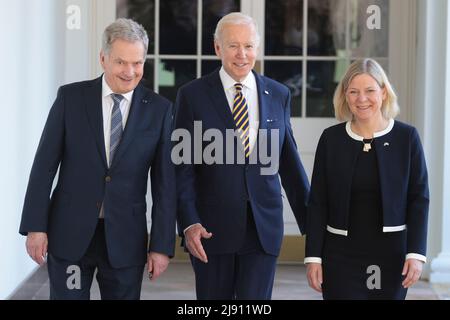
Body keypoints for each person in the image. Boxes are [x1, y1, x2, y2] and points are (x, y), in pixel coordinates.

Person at [19, 18, 176, 300]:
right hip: (70, 237)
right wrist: (35, 227)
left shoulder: (160, 110)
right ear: (103, 58)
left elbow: (165, 185)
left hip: (125, 242)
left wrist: (161, 245)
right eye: (120, 62)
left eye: (137, 63)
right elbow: (43, 167)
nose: (130, 72)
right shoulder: (71, 99)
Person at [173, 12, 310, 300]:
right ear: (217, 48)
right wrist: (189, 222)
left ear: (257, 49)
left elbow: (289, 164)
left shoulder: (279, 94)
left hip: (263, 227)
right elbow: (182, 167)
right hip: (211, 230)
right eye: (233, 45)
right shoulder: (192, 95)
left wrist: (314, 227)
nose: (242, 54)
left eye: (248, 46)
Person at [305, 59, 429, 300]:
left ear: (383, 92)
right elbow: (318, 202)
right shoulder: (331, 139)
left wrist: (416, 253)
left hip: (391, 255)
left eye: (370, 90)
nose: (362, 99)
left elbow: (419, 199)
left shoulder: (407, 138)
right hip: (340, 256)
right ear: (345, 96)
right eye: (353, 92)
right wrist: (313, 257)